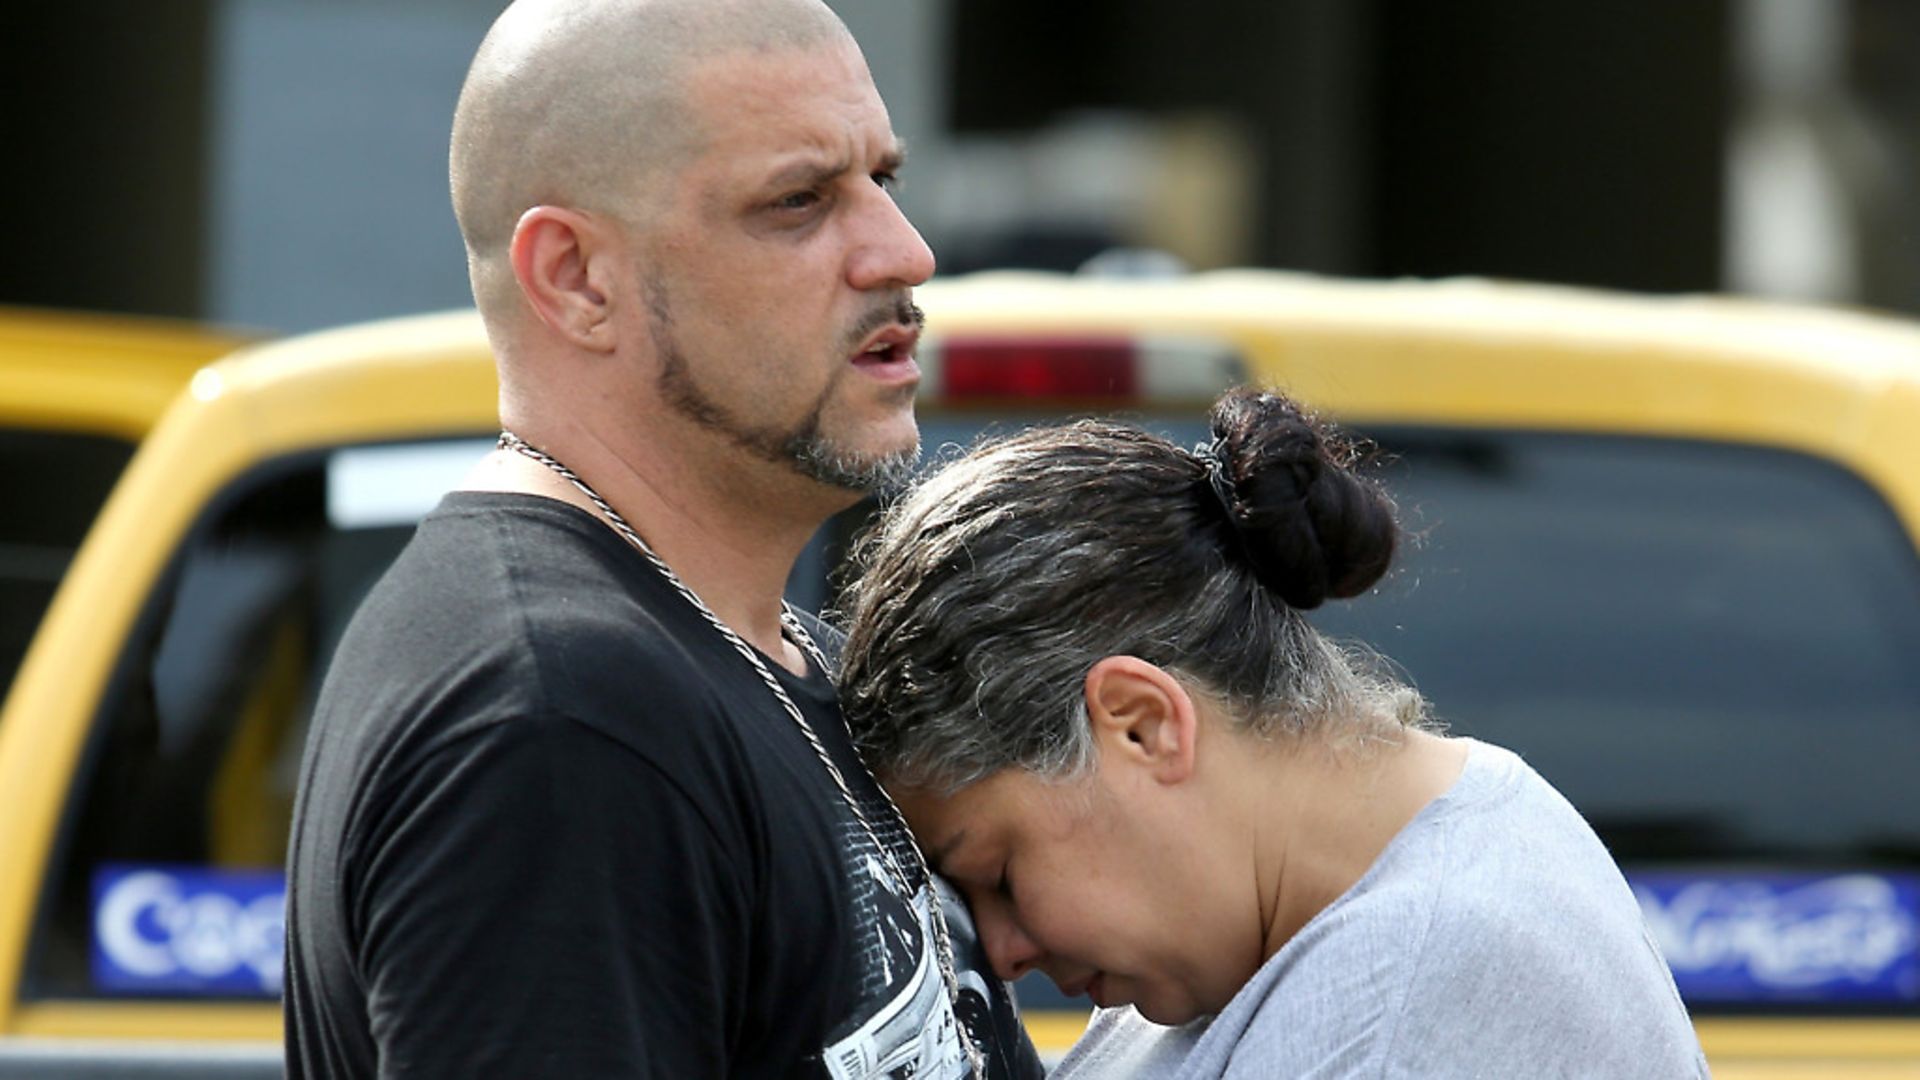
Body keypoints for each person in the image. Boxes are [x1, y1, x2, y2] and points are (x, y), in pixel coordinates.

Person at [282, 1, 1042, 1076]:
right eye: (798, 200)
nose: (902, 252)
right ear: (577, 278)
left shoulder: (760, 661)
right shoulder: (557, 716)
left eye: (886, 180)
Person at [836, 387, 1711, 1078]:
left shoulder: (1396, 1010)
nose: (1000, 950)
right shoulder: (1437, 834)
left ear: (1142, 726)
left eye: (1000, 874)